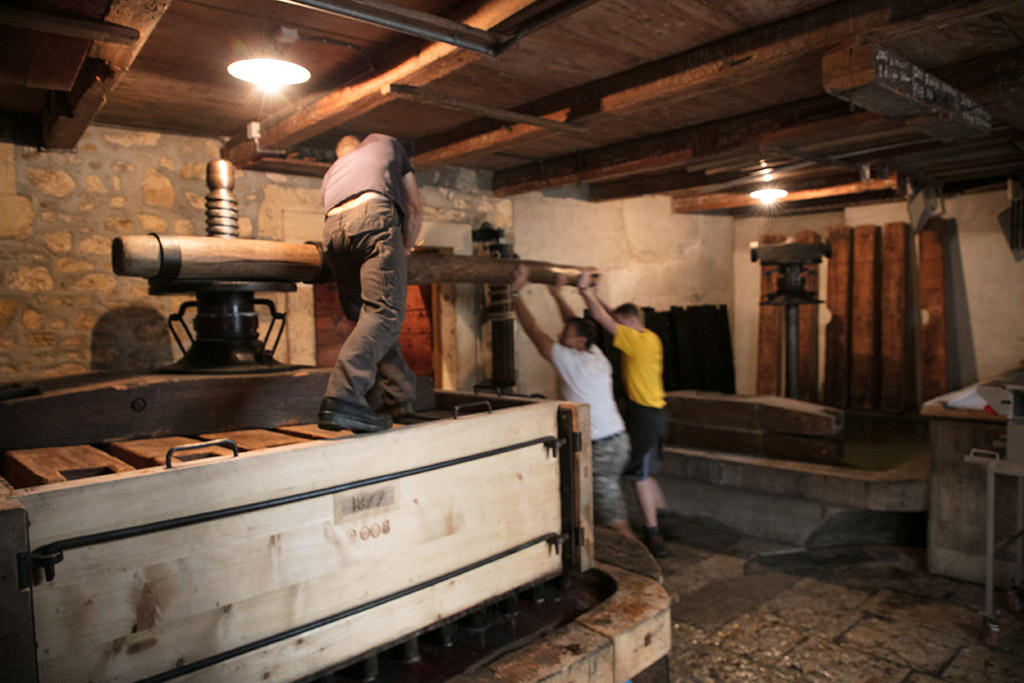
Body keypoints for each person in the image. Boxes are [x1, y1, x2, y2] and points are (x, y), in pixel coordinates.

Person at [510, 266, 635, 540]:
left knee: (613, 517)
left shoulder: (574, 362)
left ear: (578, 343)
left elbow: (535, 333)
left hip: (602, 447)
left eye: (565, 334)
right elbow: (575, 323)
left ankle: (642, 567)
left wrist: (515, 294)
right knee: (594, 505)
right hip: (615, 441)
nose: (560, 336)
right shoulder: (594, 354)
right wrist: (556, 295)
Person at [317, 134, 423, 433]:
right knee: (384, 314)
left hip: (333, 231)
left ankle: (399, 396)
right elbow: (414, 208)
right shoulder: (389, 142)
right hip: (373, 217)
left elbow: (333, 214)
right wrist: (406, 247)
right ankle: (343, 397)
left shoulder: (332, 172)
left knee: (367, 315)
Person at [577, 271, 670, 558]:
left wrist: (584, 293)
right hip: (657, 414)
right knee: (646, 471)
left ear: (631, 324)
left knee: (637, 475)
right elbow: (613, 316)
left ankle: (654, 536)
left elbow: (604, 320)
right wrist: (599, 291)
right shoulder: (650, 336)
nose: (618, 329)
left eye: (622, 325)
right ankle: (664, 518)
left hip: (644, 416)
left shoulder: (635, 341)